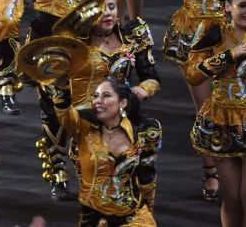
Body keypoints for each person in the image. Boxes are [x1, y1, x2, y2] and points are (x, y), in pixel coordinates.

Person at [8, 0, 116, 199]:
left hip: (87, 34)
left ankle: (90, 165)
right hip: (49, 35)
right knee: (54, 104)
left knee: (88, 101)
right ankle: (57, 168)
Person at [157, 0, 242, 201]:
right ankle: (211, 168)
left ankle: (239, 167)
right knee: (205, 107)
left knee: (237, 101)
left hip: (233, 33)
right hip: (194, 34)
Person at [48, 78, 162, 226]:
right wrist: (61, 86)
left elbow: (147, 176)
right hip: (93, 218)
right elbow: (65, 116)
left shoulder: (144, 131)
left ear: (122, 103)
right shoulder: (84, 128)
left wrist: (149, 210)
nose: (98, 101)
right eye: (95, 96)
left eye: (106, 95)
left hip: (134, 217)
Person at [187, 0, 246, 227]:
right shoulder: (213, 31)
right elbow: (193, 75)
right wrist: (231, 54)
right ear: (227, 6)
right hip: (221, 121)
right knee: (233, 198)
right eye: (243, 5)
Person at [72, 0, 161, 108]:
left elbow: (151, 77)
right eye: (101, 9)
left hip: (121, 112)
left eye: (111, 7)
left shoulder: (132, 36)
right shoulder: (74, 44)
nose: (107, 13)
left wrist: (143, 90)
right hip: (85, 116)